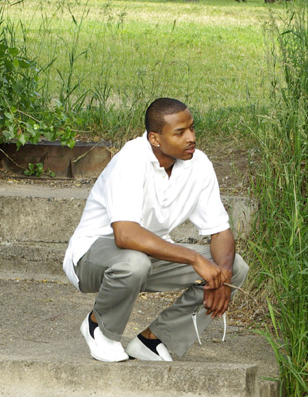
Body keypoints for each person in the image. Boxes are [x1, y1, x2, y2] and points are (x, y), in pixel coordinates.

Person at [62, 97, 249, 363]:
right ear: (155, 139)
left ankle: (153, 340)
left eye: (192, 129)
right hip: (93, 256)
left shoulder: (199, 165)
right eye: (180, 133)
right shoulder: (131, 160)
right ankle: (98, 327)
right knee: (133, 262)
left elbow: (220, 231)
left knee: (235, 266)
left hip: (147, 257)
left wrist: (222, 279)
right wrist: (195, 259)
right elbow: (125, 235)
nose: (191, 138)